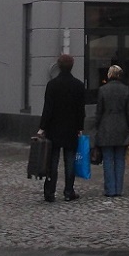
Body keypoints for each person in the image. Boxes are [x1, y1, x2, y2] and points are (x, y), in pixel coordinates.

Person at [38, 53, 86, 202]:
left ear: (58, 66)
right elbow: (80, 110)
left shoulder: (52, 85)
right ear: (72, 66)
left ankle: (50, 192)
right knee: (70, 161)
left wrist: (42, 127)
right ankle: (68, 192)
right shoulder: (78, 85)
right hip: (71, 129)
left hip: (54, 129)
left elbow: (48, 108)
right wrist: (80, 127)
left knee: (52, 161)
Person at [95, 63, 129, 198]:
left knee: (107, 159)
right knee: (120, 159)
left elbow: (99, 112)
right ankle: (118, 188)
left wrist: (97, 127)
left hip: (106, 127)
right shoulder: (126, 90)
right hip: (122, 127)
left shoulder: (102, 90)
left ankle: (110, 189)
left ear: (109, 75)